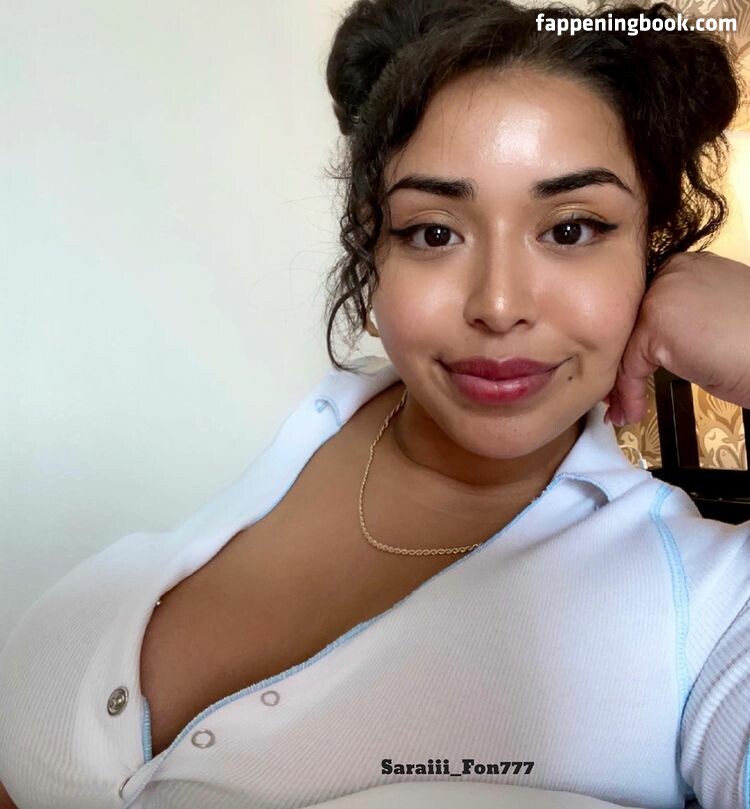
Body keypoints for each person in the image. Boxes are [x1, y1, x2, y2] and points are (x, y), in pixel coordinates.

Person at [1, 0, 748, 807]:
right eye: (434, 232)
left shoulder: (705, 599)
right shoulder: (279, 422)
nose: (499, 305)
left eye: (570, 229)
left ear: (652, 254)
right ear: (372, 248)